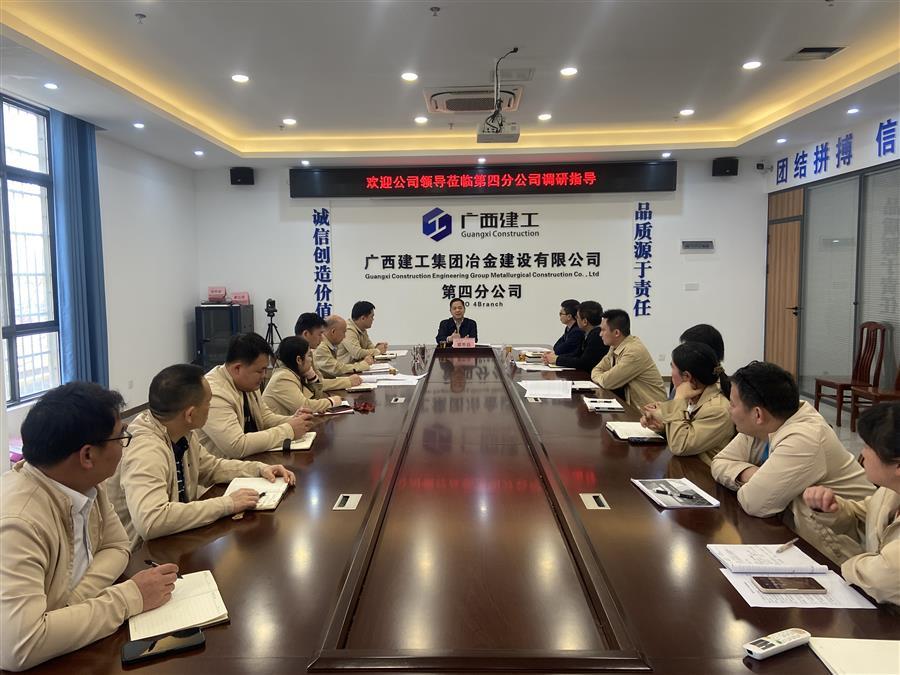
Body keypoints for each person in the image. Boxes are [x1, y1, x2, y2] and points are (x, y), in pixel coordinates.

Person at [0, 383, 178, 671]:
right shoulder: (18, 523)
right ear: (87, 455)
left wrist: (71, 604)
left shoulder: (85, 483)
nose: (124, 446)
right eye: (121, 437)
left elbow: (117, 546)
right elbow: (20, 646)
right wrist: (130, 597)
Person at [108, 364, 296, 549]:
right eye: (208, 402)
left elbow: (211, 468)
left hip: (176, 537)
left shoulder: (180, 431)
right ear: (190, 414)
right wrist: (228, 504)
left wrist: (259, 469)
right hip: (143, 555)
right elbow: (152, 520)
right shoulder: (146, 449)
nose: (210, 407)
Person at [711, 361, 874, 519]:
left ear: (757, 414)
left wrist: (754, 480)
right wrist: (754, 475)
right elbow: (719, 462)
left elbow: (752, 502)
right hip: (808, 526)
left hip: (853, 532)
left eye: (733, 404)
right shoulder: (765, 422)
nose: (729, 409)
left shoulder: (803, 438)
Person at [798, 402, 899, 605]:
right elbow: (864, 516)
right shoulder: (889, 491)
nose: (863, 453)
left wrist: (847, 565)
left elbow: (882, 579)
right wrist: (831, 509)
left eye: (869, 447)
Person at [197, 333, 312, 458]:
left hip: (250, 459)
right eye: (259, 371)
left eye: (265, 369)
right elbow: (237, 446)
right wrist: (289, 430)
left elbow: (264, 418)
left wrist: (294, 420)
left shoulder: (248, 383)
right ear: (237, 368)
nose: (264, 375)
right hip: (227, 467)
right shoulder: (214, 393)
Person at [640, 342, 734, 464]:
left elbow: (680, 446)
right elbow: (687, 432)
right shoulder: (694, 396)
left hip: (701, 472)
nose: (671, 373)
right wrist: (662, 426)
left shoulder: (718, 410)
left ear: (686, 376)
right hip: (685, 466)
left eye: (672, 368)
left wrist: (678, 399)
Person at [590, 309, 666, 409]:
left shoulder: (633, 351)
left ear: (616, 333)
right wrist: (602, 377)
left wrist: (602, 378)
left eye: (603, 330)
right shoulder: (615, 347)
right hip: (632, 407)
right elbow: (596, 370)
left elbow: (607, 382)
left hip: (650, 412)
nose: (600, 334)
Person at [263, 336, 343, 414]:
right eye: (308, 355)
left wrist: (313, 378)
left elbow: (316, 398)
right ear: (299, 360)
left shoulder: (294, 373)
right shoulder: (283, 377)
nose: (311, 359)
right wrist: (331, 402)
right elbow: (304, 406)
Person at [295, 312, 363, 391]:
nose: (322, 338)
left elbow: (318, 381)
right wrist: (348, 381)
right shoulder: (294, 354)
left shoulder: (308, 352)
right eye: (320, 334)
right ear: (306, 334)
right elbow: (319, 384)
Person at [543, 300, 608, 371]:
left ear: (585, 322)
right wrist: (556, 357)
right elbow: (577, 355)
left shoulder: (596, 336)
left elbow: (583, 363)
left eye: (577, 317)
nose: (576, 320)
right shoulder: (590, 333)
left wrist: (557, 359)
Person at [315, 314, 374, 378]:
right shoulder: (321, 347)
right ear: (333, 331)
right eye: (343, 332)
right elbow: (337, 369)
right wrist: (361, 366)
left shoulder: (332, 344)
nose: (345, 336)